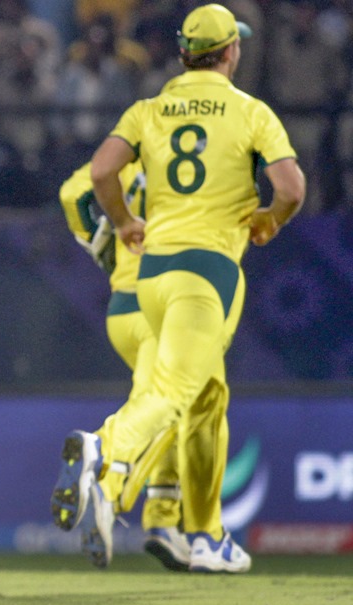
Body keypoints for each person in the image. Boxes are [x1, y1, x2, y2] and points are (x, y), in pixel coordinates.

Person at [51, 4, 305, 574]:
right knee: (175, 391)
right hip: (207, 270)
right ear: (232, 51)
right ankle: (106, 455)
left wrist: (120, 225)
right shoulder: (250, 111)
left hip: (151, 275)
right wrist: (270, 219)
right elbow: (291, 186)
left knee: (207, 397)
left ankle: (201, 533)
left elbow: (97, 175)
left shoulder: (149, 110)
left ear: (184, 53)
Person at [58, 160, 229, 572]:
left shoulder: (127, 155)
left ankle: (162, 517)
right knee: (172, 401)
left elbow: (72, 195)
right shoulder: (203, 159)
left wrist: (100, 241)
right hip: (168, 303)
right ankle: (108, 481)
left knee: (177, 407)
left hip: (122, 306)